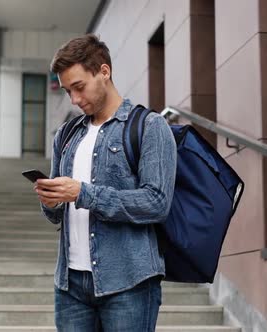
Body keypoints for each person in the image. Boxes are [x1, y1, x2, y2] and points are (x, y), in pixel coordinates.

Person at [34, 34, 177, 332]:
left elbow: (156, 203)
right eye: (67, 91)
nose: (74, 99)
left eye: (79, 87)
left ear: (104, 72)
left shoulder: (149, 127)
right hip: (70, 285)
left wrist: (84, 193)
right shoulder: (66, 135)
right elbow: (57, 213)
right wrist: (51, 202)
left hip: (129, 283)